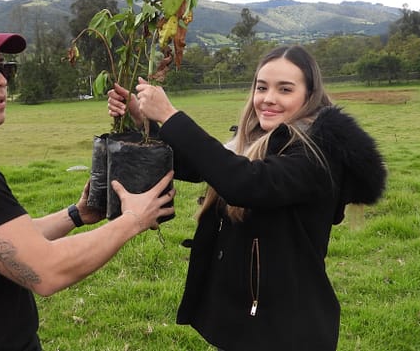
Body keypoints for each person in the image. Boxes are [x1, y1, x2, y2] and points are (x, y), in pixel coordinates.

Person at [0, 9, 175, 351]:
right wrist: (133, 220)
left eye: (3, 67)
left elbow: (3, 243)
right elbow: (46, 270)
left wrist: (76, 215)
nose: (0, 81)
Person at [107, 45, 387, 350]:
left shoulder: (316, 156)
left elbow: (245, 183)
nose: (268, 98)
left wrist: (172, 117)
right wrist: (142, 121)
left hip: (289, 329)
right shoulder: (256, 142)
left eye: (285, 89)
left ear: (310, 95)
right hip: (252, 319)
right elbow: (204, 165)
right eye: (262, 87)